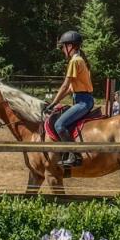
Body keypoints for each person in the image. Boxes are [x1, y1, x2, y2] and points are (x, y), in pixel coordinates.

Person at [43, 30, 95, 168]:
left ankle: (74, 155)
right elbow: (71, 89)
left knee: (59, 125)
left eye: (63, 47)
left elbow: (65, 85)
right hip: (82, 99)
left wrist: (53, 102)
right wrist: (56, 102)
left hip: (83, 101)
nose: (62, 50)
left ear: (70, 46)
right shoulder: (79, 60)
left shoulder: (74, 61)